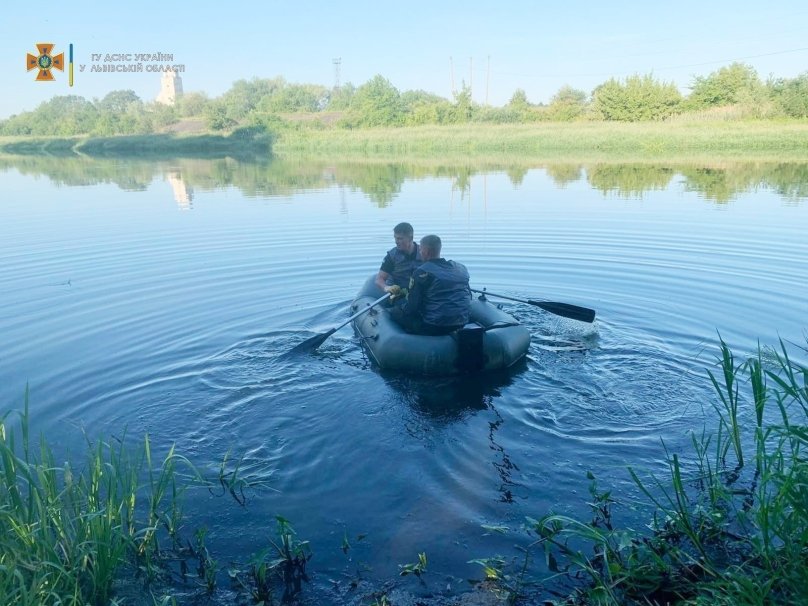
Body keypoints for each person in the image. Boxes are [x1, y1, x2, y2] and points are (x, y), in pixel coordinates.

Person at [389, 234, 471, 336]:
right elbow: (469, 296)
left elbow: (412, 307)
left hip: (433, 326)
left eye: (420, 250)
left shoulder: (422, 272)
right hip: (462, 322)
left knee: (395, 312)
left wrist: (401, 305)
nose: (420, 252)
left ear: (426, 252)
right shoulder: (460, 268)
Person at [375, 222, 422, 293]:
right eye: (395, 238)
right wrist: (386, 288)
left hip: (418, 293)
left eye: (400, 238)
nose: (396, 241)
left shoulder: (423, 252)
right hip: (399, 294)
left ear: (410, 238)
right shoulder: (391, 256)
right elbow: (379, 279)